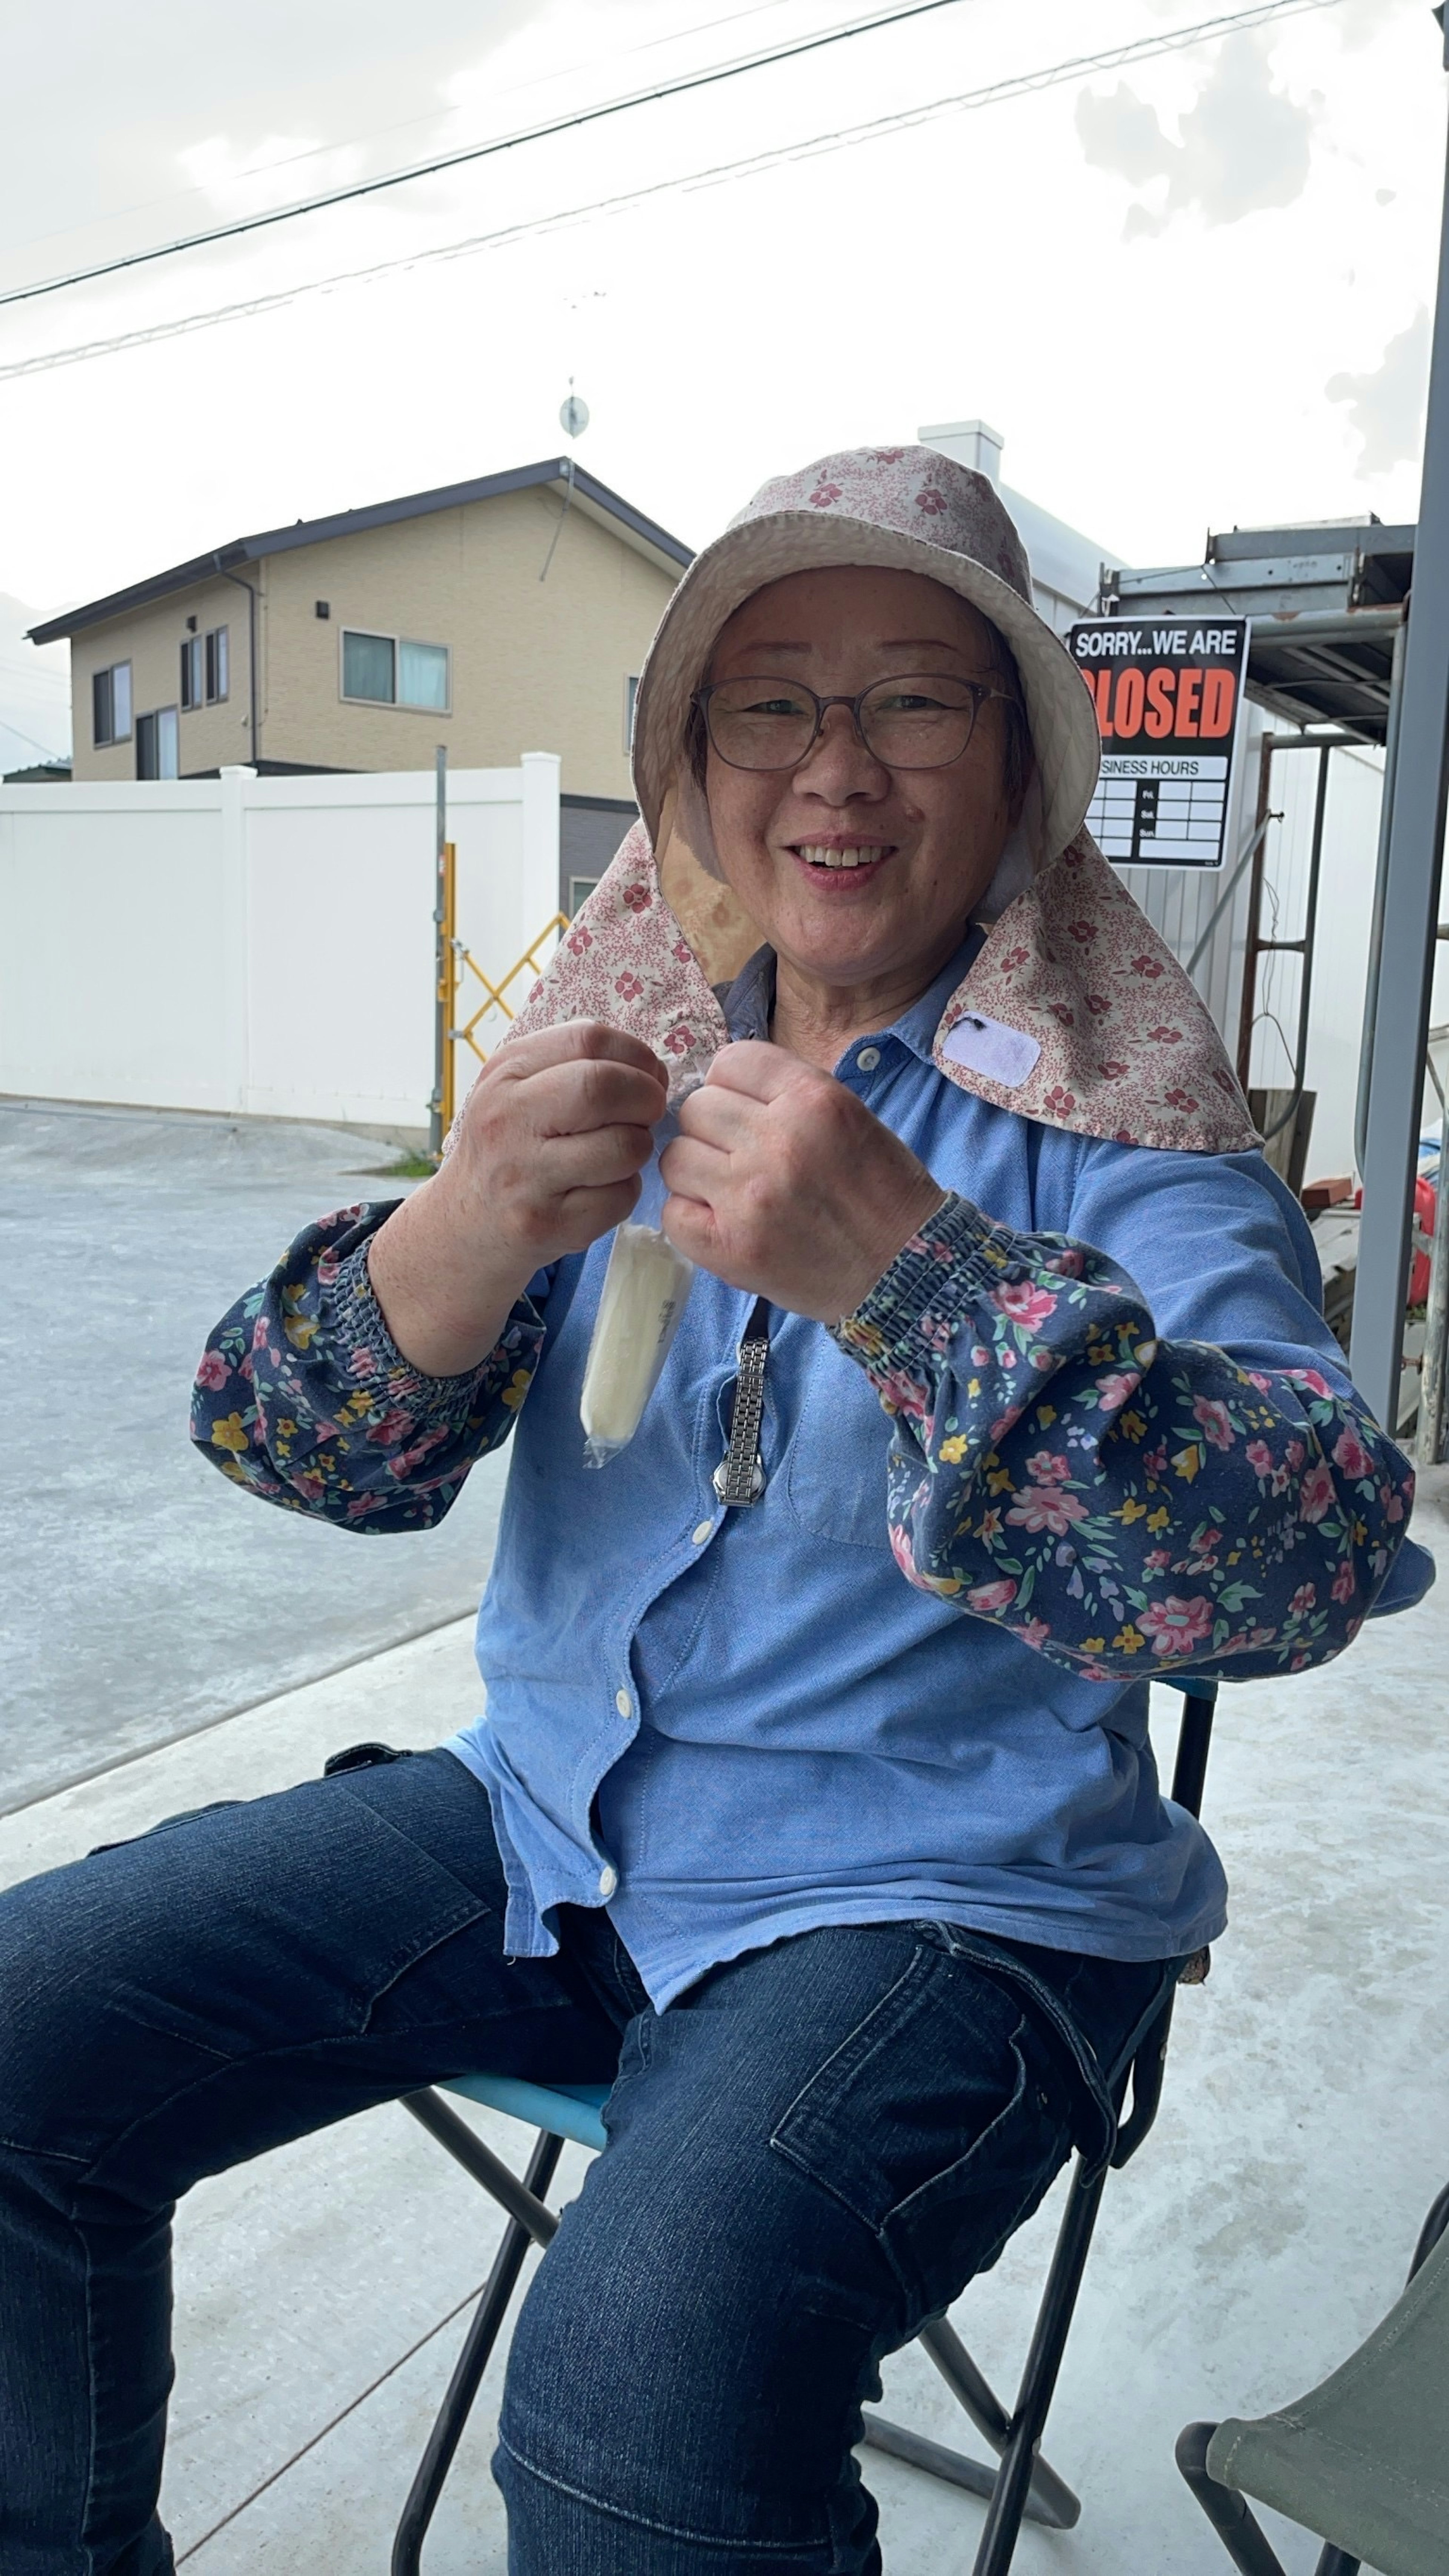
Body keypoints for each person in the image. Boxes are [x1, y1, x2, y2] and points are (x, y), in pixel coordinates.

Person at [0, 447, 1431, 2576]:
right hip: (543, 1827)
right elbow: (291, 1448)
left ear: (1022, 763)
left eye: (915, 702)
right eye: (768, 705)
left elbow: (1308, 1555)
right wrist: (456, 1234)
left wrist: (911, 1273)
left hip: (949, 1905)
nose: (832, 771)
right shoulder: (620, 1059)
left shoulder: (1125, 1131)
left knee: (636, 2385)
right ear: (687, 764)